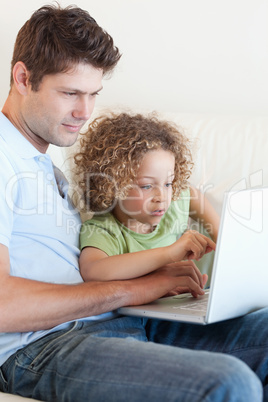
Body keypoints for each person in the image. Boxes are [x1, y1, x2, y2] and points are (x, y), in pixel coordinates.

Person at [0, 3, 267, 402]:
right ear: (23, 78)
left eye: (93, 94)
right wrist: (136, 288)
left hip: (122, 323)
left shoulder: (43, 158)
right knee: (228, 382)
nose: (84, 112)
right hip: (43, 346)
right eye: (71, 93)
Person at [74, 112, 218, 289]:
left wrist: (220, 234)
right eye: (147, 186)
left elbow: (192, 194)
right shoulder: (104, 229)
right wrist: (169, 254)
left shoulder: (174, 205)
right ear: (111, 186)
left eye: (168, 183)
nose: (162, 197)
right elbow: (92, 270)